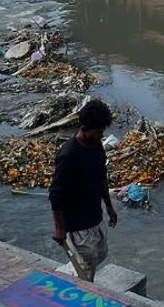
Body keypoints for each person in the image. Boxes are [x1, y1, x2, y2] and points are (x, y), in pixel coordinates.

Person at [49, 99, 117, 282]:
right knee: (86, 271)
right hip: (76, 224)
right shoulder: (68, 155)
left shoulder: (96, 147)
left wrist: (109, 207)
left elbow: (102, 176)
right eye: (98, 132)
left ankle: (66, 273)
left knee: (100, 255)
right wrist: (59, 228)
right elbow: (55, 194)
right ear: (85, 128)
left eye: (102, 131)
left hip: (95, 216)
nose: (101, 135)